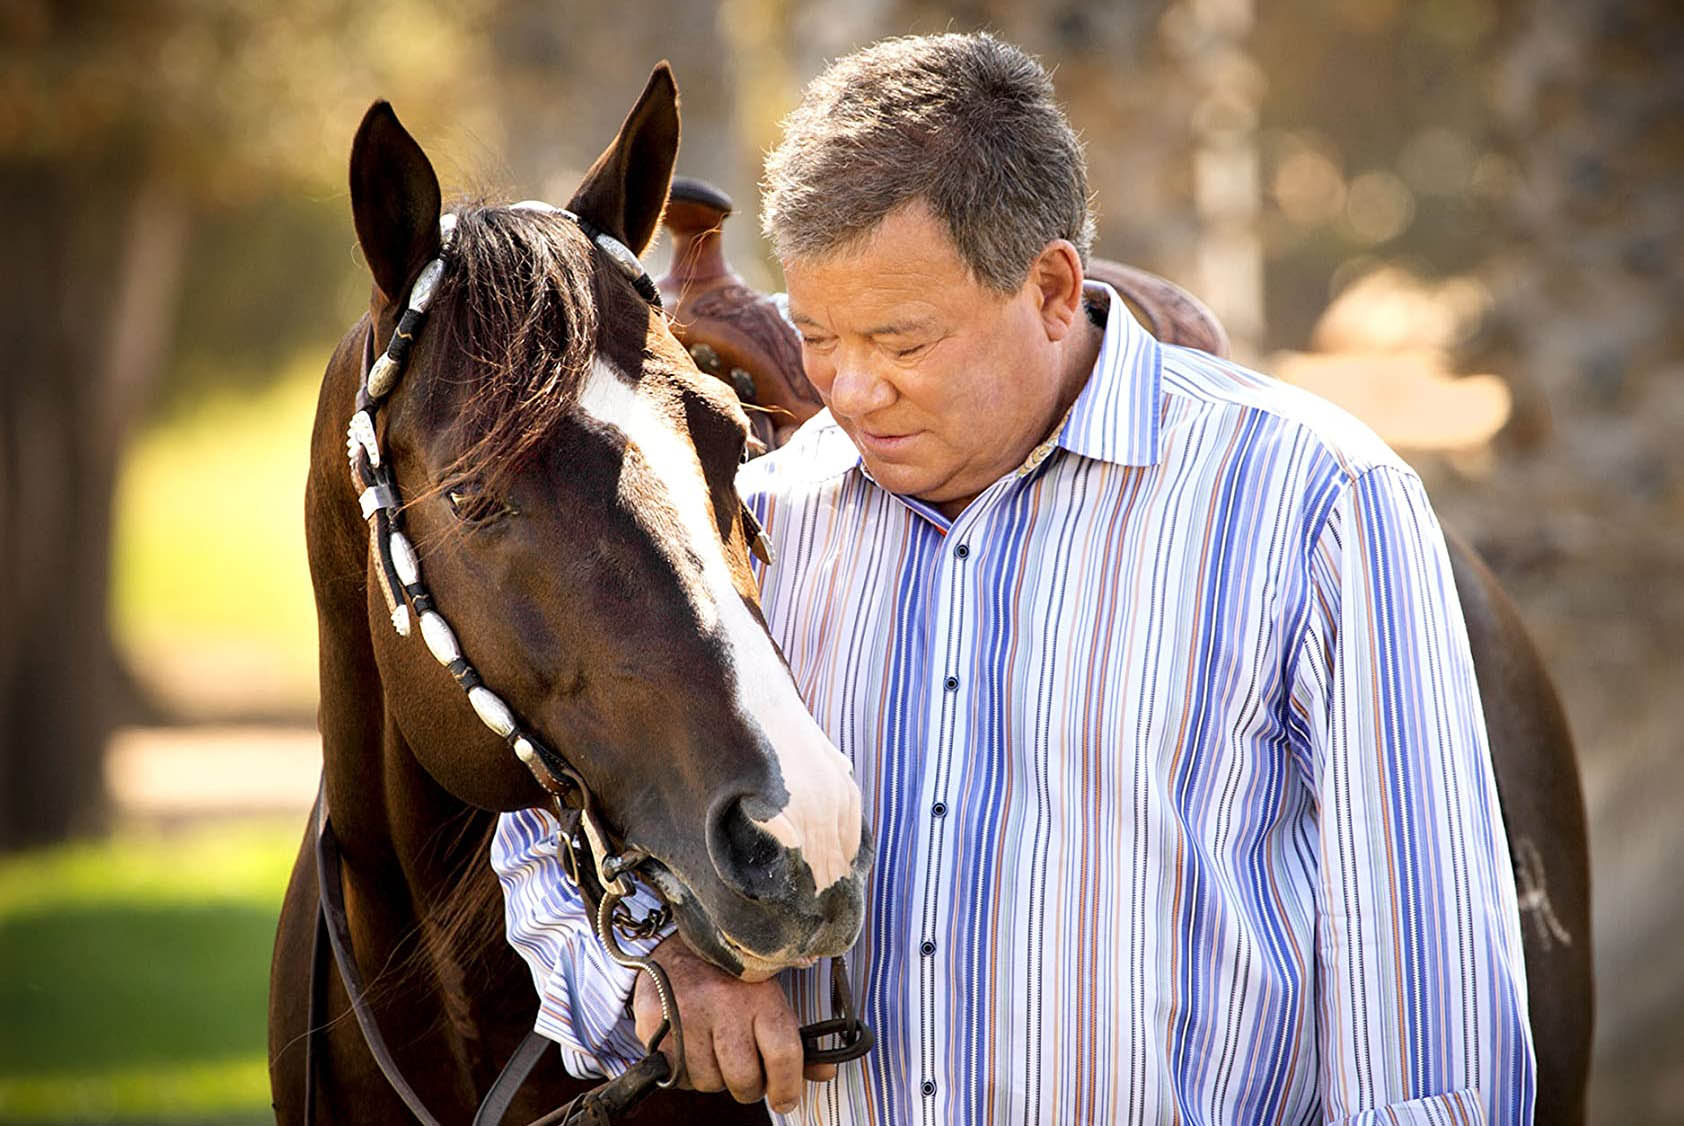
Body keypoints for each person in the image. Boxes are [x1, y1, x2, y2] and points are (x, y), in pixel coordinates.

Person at [491, 31, 1536, 1125]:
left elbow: (1429, 993)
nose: (849, 391)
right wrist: (661, 968)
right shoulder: (766, 519)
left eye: (900, 339)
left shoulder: (1319, 501)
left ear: (1049, 287)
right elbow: (540, 809)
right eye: (816, 336)